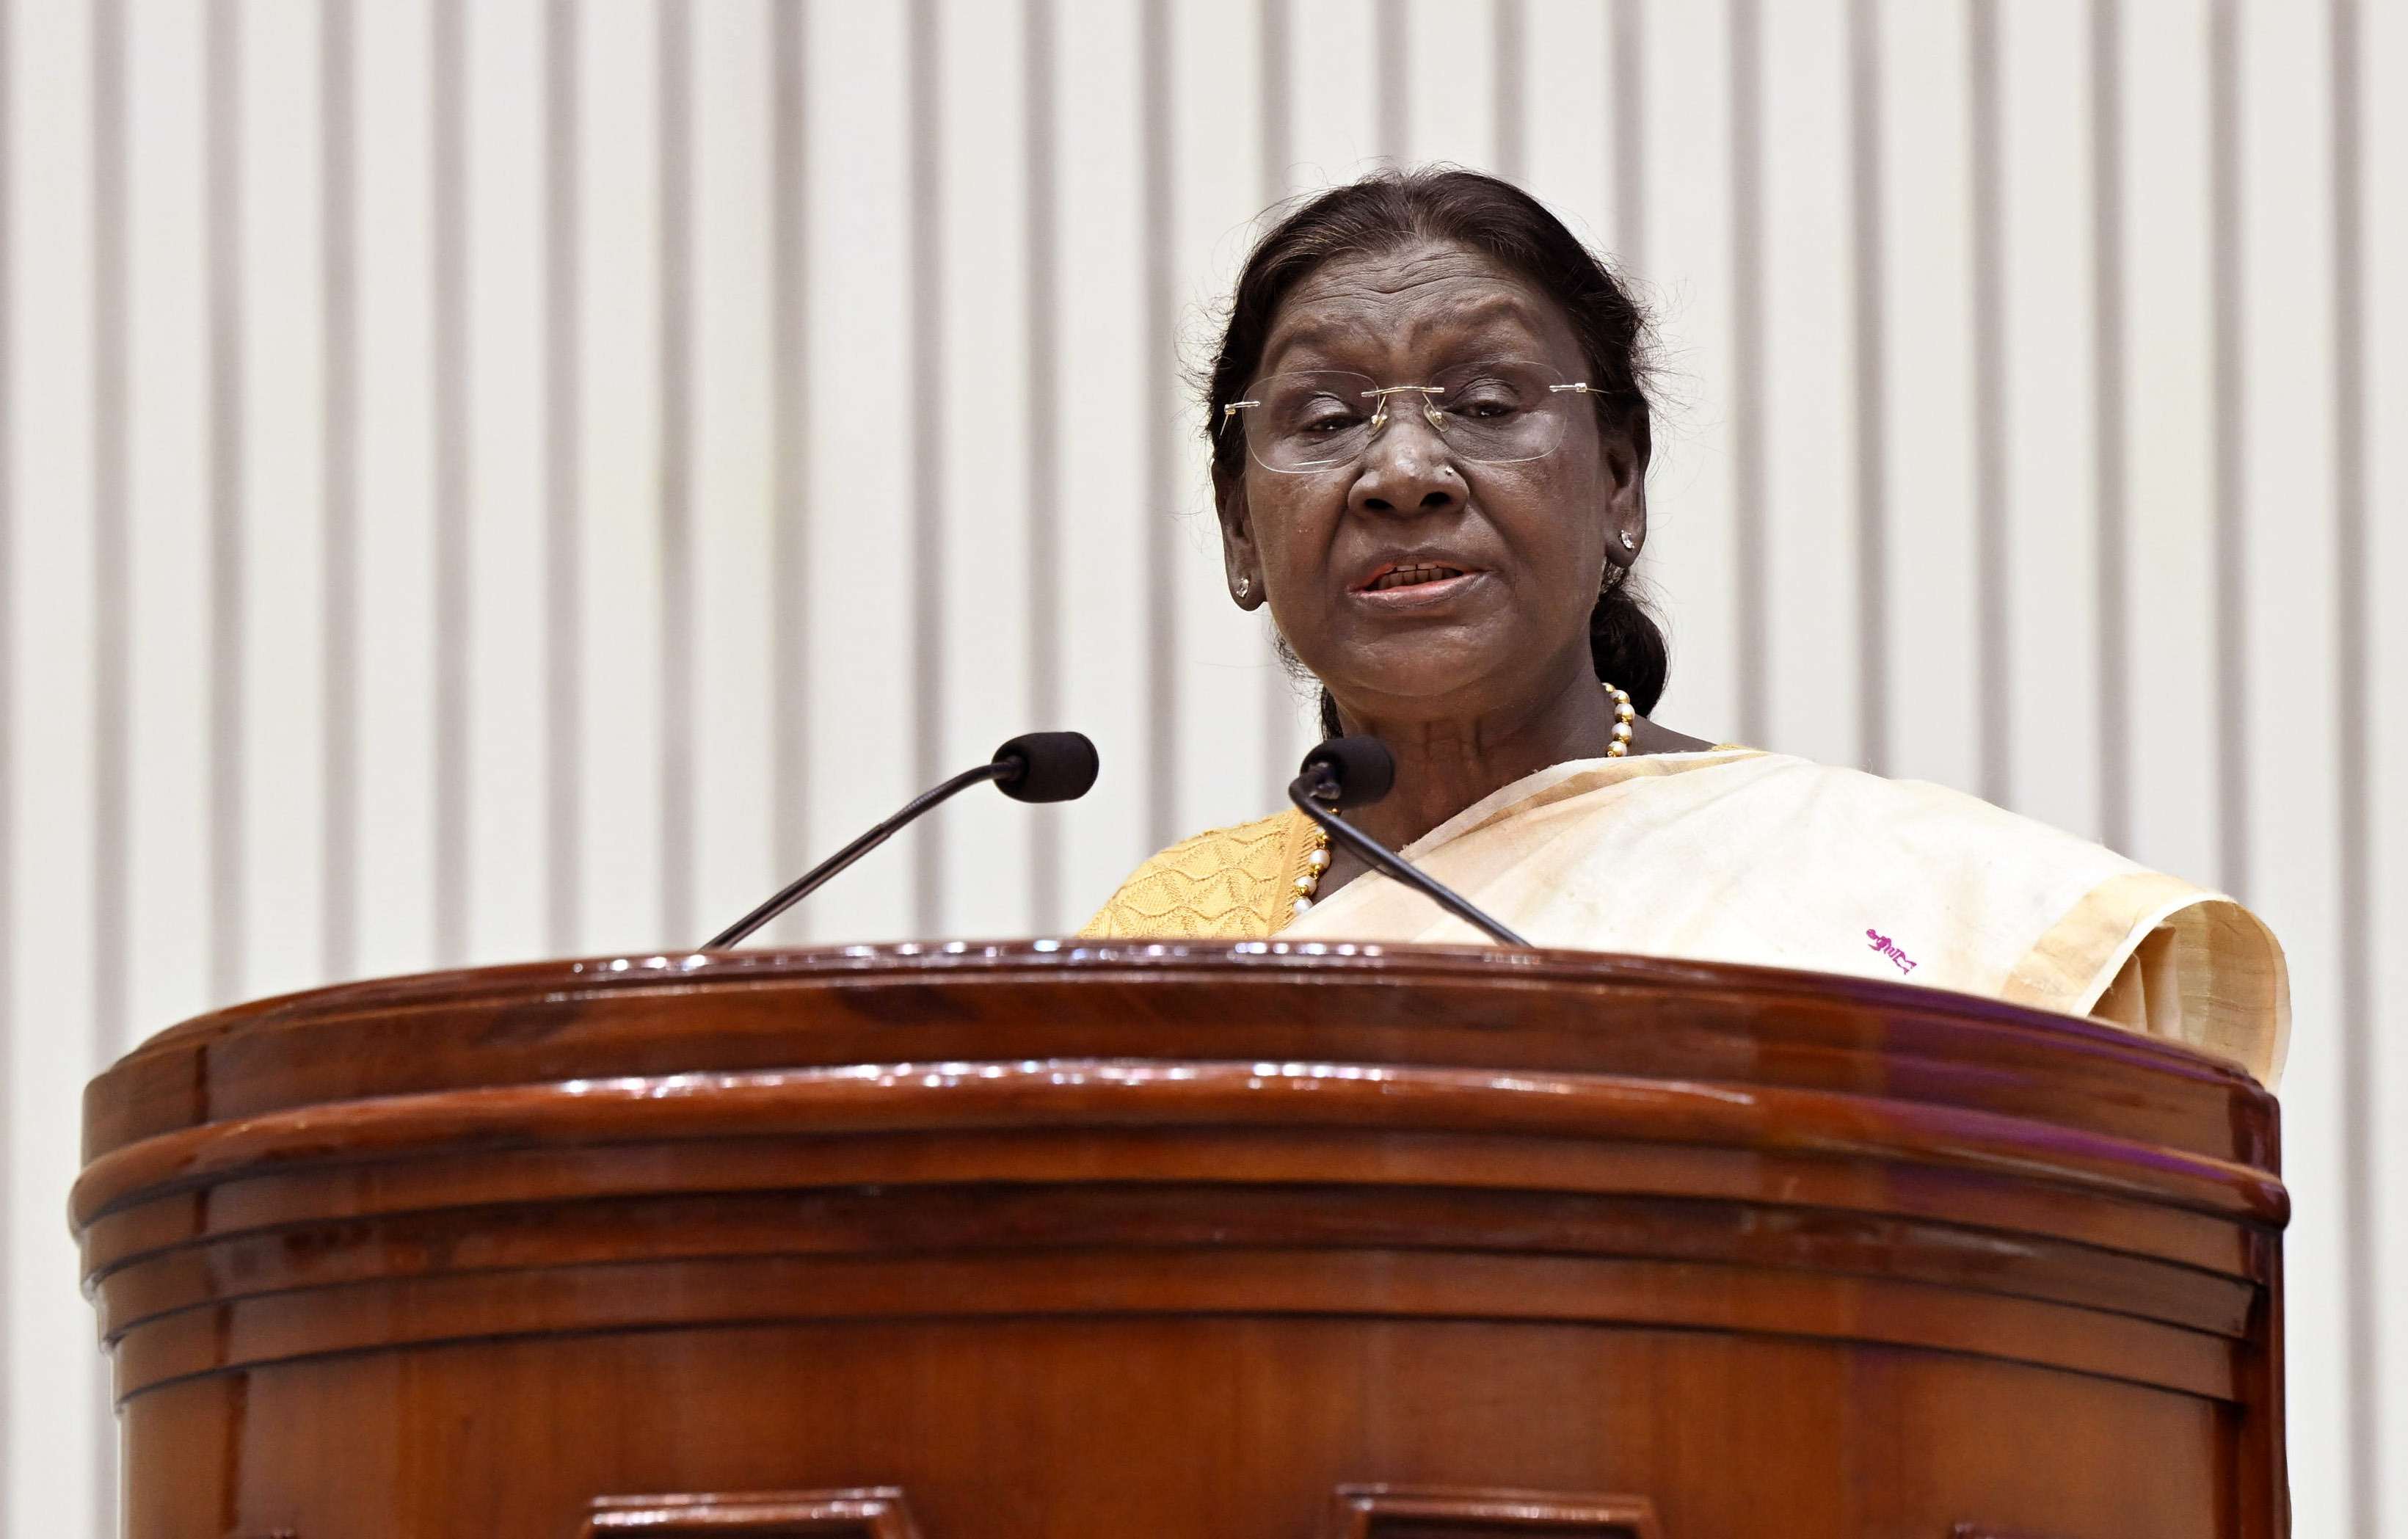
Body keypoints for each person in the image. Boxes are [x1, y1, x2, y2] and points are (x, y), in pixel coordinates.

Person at [1078, 168, 2286, 1087]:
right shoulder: (1172, 935)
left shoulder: (1890, 891)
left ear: (1618, 486)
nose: (1404, 471)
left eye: (1488, 402)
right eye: (1327, 417)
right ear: (1242, 529)